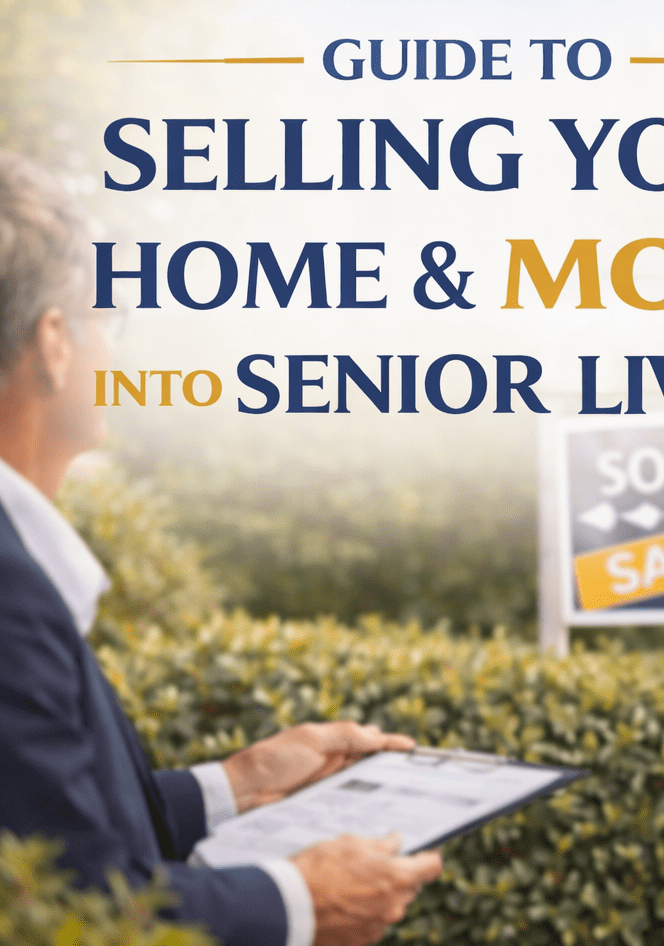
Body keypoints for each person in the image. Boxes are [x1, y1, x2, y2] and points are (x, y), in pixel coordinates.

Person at [0, 152, 443, 946]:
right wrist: (300, 902)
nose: (114, 352)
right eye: (106, 320)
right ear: (55, 340)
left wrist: (234, 785)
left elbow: (45, 826)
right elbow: (76, 911)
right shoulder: (7, 589)